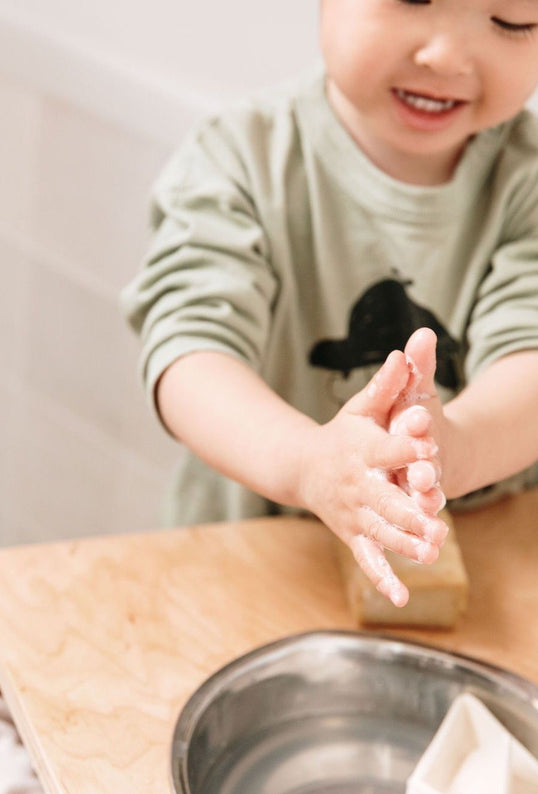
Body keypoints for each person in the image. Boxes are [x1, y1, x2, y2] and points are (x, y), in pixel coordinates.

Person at [122, 0, 538, 608]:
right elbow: (188, 353)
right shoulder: (241, 157)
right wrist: (307, 463)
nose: (447, 56)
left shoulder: (524, 184)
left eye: (512, 21)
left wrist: (458, 451)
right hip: (254, 559)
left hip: (481, 568)